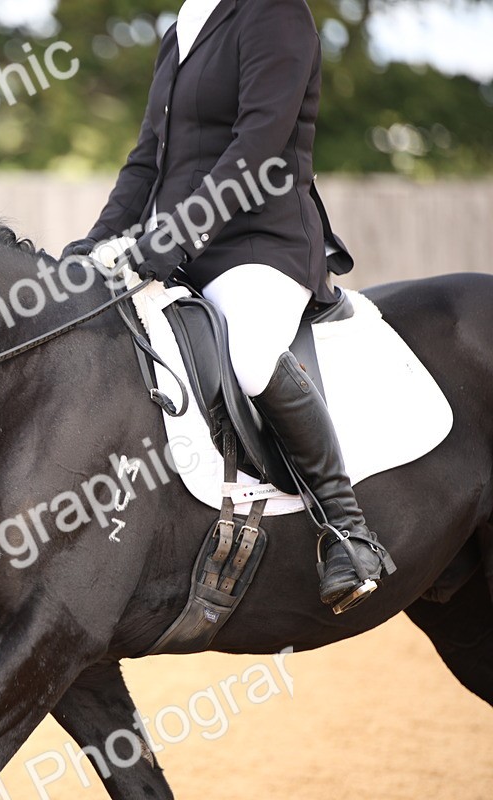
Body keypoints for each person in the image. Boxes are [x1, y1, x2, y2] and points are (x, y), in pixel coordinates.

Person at [63, 0, 394, 613]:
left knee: (247, 354)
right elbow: (147, 162)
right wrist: (88, 248)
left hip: (259, 245)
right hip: (178, 249)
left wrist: (171, 239)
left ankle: (348, 530)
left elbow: (259, 149)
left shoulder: (275, 14)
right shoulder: (181, 31)